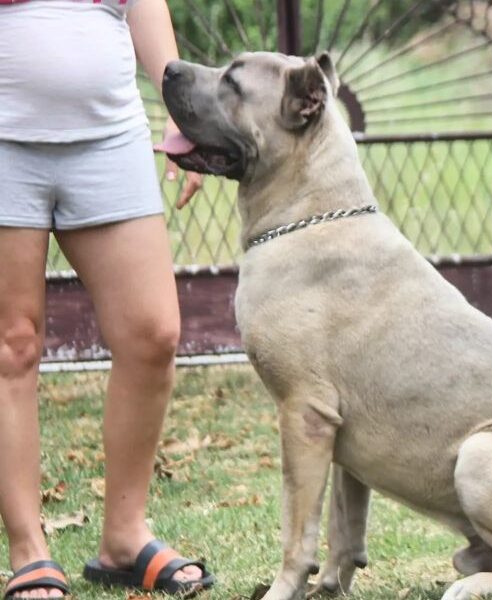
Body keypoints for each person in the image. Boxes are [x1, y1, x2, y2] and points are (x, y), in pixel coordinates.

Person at [0, 1, 214, 597]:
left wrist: (181, 109)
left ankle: (124, 536)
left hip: (109, 133)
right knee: (12, 346)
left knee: (153, 334)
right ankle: (28, 548)